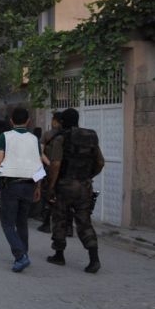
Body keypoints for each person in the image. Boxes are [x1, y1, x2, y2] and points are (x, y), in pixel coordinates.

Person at [45, 108, 105, 273]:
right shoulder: (90, 137)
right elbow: (100, 162)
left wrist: (51, 186)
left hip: (65, 186)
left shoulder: (61, 138)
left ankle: (59, 255)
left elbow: (56, 165)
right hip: (84, 186)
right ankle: (94, 259)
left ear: (63, 122)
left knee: (59, 218)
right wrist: (88, 176)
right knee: (84, 221)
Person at [0, 107, 43, 273]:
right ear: (28, 121)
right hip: (29, 184)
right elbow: (39, 164)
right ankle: (23, 253)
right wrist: (38, 186)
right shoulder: (34, 139)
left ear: (11, 120)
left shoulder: (5, 137)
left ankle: (20, 256)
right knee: (22, 222)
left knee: (7, 223)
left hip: (11, 185)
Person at [38, 112, 74, 237]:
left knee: (49, 195)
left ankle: (47, 223)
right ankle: (69, 227)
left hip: (52, 169)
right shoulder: (71, 135)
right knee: (68, 200)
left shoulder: (47, 135)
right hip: (68, 172)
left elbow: (40, 152)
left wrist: (49, 164)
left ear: (55, 121)